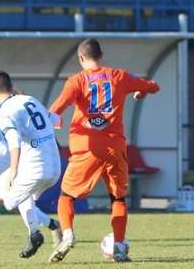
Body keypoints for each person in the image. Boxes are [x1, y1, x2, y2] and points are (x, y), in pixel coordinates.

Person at [48, 38, 161, 263]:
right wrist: (142, 92)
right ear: (101, 56)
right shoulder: (120, 76)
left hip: (86, 147)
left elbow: (54, 111)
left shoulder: (76, 81)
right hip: (114, 147)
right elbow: (153, 86)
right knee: (117, 198)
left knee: (66, 196)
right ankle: (119, 245)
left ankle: (68, 234)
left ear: (80, 58)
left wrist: (56, 120)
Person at [0, 70, 61, 267]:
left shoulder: (3, 113)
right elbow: (56, 121)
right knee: (22, 196)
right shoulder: (31, 99)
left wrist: (12, 169)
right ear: (12, 86)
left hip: (34, 168)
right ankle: (35, 232)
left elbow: (13, 141)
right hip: (55, 168)